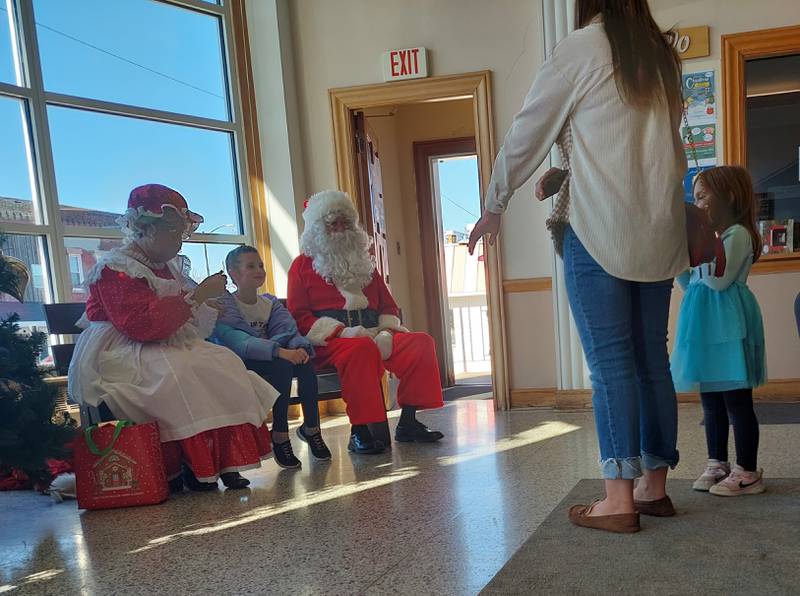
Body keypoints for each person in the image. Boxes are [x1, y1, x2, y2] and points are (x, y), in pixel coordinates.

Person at [468, 0, 688, 533]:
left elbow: (527, 132)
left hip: (599, 230)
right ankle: (653, 487)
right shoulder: (660, 54)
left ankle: (617, 498)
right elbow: (650, 154)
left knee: (611, 364)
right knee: (650, 360)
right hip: (658, 229)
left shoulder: (582, 48)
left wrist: (494, 202)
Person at [68, 184, 279, 491]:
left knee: (223, 363)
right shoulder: (116, 267)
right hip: (126, 348)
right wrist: (196, 298)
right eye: (172, 231)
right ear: (144, 228)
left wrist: (205, 304)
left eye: (181, 232)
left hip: (165, 342)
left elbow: (186, 316)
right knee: (178, 376)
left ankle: (224, 461)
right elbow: (139, 324)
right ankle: (192, 465)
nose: (179, 240)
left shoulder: (167, 267)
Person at [287, 190, 444, 454]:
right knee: (360, 349)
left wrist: (385, 331)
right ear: (317, 231)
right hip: (331, 341)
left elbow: (388, 305)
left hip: (373, 332)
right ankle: (359, 430)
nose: (340, 229)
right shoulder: (301, 267)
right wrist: (344, 332)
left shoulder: (365, 265)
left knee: (420, 343)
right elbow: (299, 317)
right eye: (332, 224)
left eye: (345, 223)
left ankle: (408, 422)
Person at [672, 166, 767, 496]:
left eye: (702, 197)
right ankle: (717, 462)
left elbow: (717, 279)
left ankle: (748, 471)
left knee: (737, 402)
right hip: (704, 329)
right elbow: (689, 282)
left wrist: (698, 241)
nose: (696, 204)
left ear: (727, 197)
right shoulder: (710, 241)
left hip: (728, 328)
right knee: (710, 402)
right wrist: (683, 255)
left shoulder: (736, 235)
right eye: (694, 198)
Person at [214, 245, 331, 469]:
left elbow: (287, 330)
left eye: (260, 265)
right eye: (251, 266)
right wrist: (280, 351)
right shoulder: (226, 305)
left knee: (305, 363)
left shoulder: (269, 303)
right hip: (242, 360)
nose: (259, 270)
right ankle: (279, 434)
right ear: (234, 274)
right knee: (282, 364)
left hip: (274, 356)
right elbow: (234, 339)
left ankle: (312, 428)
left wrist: (299, 348)